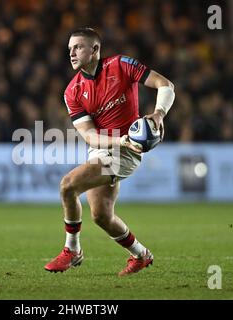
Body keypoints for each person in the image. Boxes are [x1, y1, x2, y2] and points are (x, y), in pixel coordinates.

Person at [44, 28, 175, 276]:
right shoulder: (72, 91)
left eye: (78, 47)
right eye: (70, 48)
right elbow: (89, 135)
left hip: (128, 151)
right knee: (101, 215)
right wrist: (121, 139)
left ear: (95, 49)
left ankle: (72, 250)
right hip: (107, 146)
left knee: (67, 185)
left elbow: (165, 84)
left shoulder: (121, 65)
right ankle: (141, 255)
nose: (71, 53)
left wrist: (158, 114)